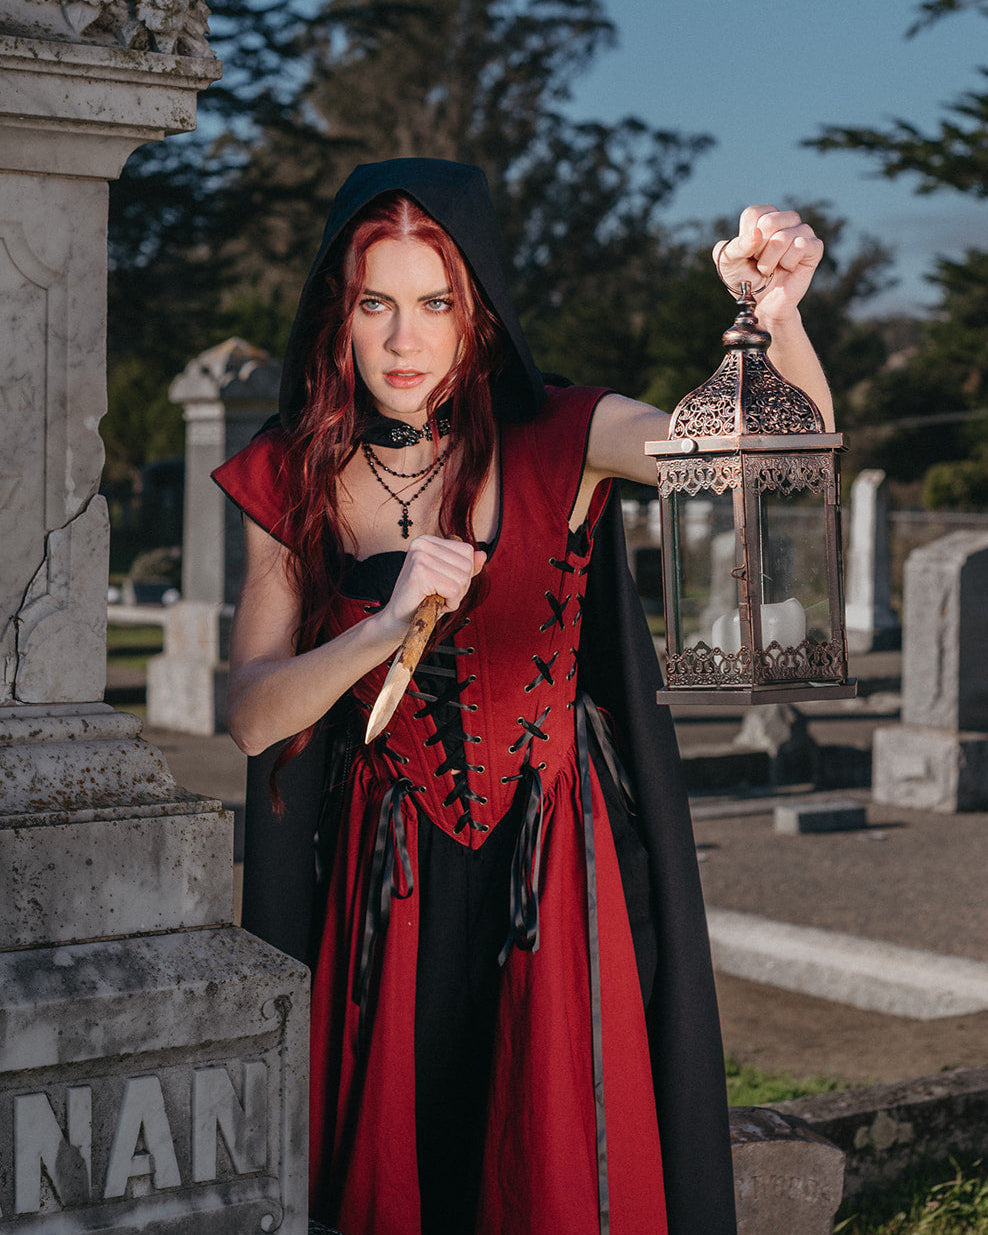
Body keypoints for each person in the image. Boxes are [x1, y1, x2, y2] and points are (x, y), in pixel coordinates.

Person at [212, 158, 832, 1235]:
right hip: (384, 884)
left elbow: (765, 462)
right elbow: (254, 713)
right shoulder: (292, 470)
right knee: (407, 1176)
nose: (403, 341)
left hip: (560, 864)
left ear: (478, 314)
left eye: (435, 304)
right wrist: (380, 627)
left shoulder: (564, 433)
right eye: (375, 304)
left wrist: (776, 318)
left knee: (549, 1172)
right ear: (337, 316)